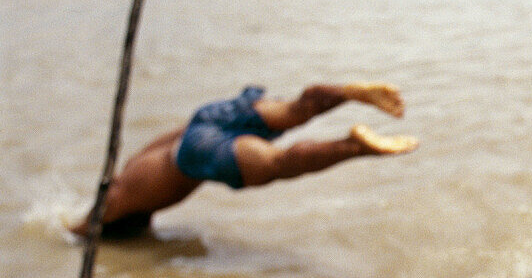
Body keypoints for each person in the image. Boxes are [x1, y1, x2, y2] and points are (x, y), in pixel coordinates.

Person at [70, 82, 418, 237]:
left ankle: (353, 146)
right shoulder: (135, 164)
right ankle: (349, 92)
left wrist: (74, 231)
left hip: (193, 152)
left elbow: (84, 227)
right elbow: (185, 130)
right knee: (294, 110)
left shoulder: (114, 203)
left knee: (277, 165)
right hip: (206, 119)